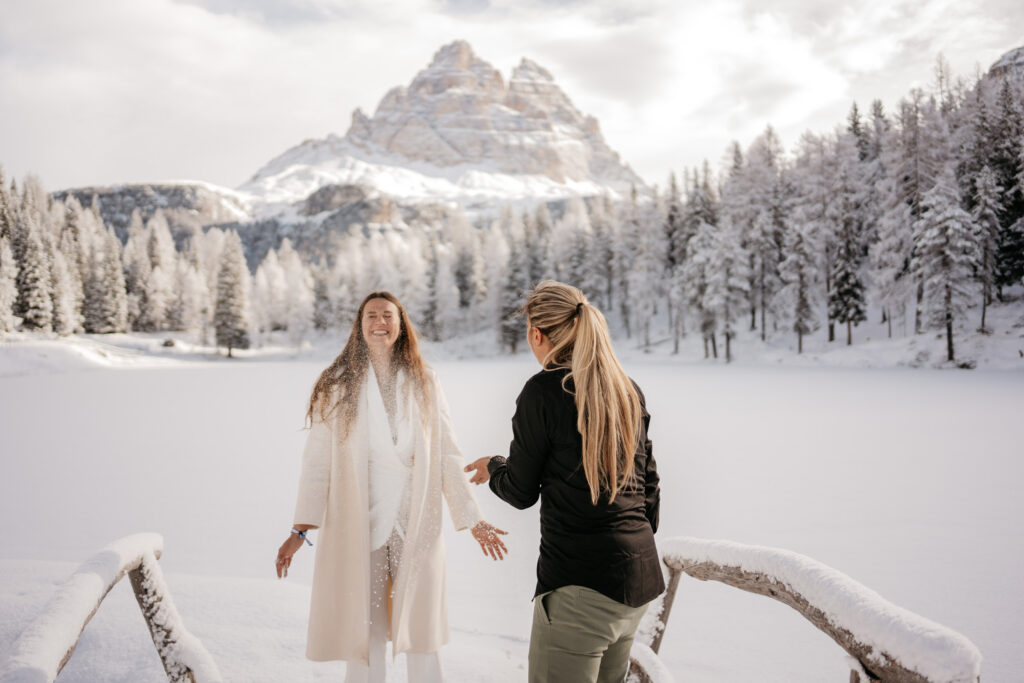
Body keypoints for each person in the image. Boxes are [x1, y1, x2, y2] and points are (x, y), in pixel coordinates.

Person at [276, 291, 508, 683]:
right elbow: (317, 464)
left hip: (416, 520)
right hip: (359, 522)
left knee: (420, 630)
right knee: (365, 632)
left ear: (401, 325)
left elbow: (447, 454)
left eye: (387, 315)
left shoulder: (424, 381)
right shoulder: (337, 384)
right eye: (371, 315)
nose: (379, 321)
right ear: (359, 325)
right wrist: (300, 529)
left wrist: (473, 519)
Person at [465, 280, 664, 683]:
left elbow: (520, 492)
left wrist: (495, 468)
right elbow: (650, 489)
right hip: (638, 578)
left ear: (536, 333)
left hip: (580, 588)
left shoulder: (543, 391)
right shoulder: (627, 389)